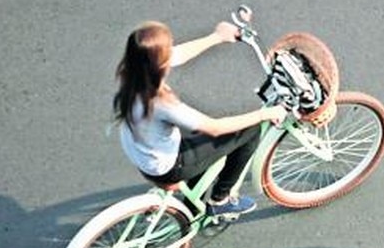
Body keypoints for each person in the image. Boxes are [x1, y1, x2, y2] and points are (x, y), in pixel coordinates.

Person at [113, 20, 288, 216]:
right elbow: (214, 128)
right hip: (167, 166)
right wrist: (265, 114)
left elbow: (176, 55)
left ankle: (193, 200)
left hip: (143, 153)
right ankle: (220, 200)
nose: (172, 50)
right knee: (249, 130)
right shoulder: (160, 102)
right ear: (160, 63)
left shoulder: (131, 72)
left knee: (203, 136)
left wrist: (217, 37)